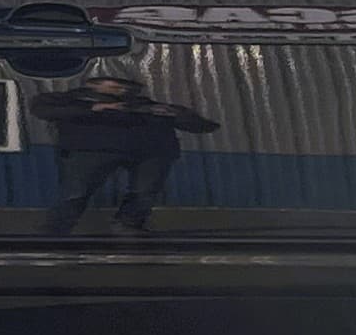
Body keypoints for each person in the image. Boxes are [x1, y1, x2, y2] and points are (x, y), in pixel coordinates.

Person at [28, 73, 219, 233]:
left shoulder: (148, 105)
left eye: (127, 85)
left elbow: (203, 126)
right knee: (76, 192)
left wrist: (177, 114)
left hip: (151, 153)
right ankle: (54, 230)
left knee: (144, 192)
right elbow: (42, 109)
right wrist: (95, 108)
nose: (122, 88)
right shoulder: (71, 99)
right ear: (93, 84)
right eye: (115, 84)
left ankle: (129, 225)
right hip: (91, 150)